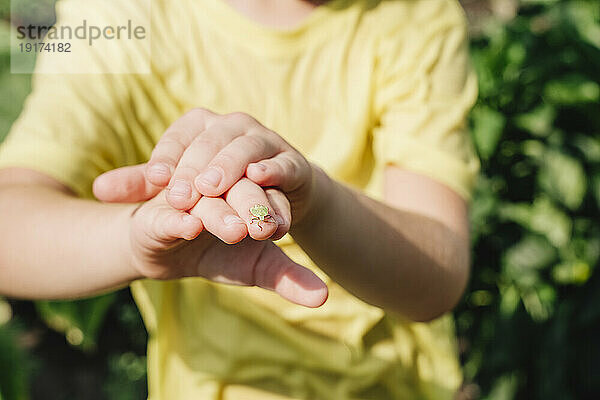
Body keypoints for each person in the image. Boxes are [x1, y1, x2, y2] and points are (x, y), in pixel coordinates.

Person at [0, 0, 480, 398]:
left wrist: (314, 201)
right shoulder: (118, 16)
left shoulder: (413, 14)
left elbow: (439, 274)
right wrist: (133, 238)